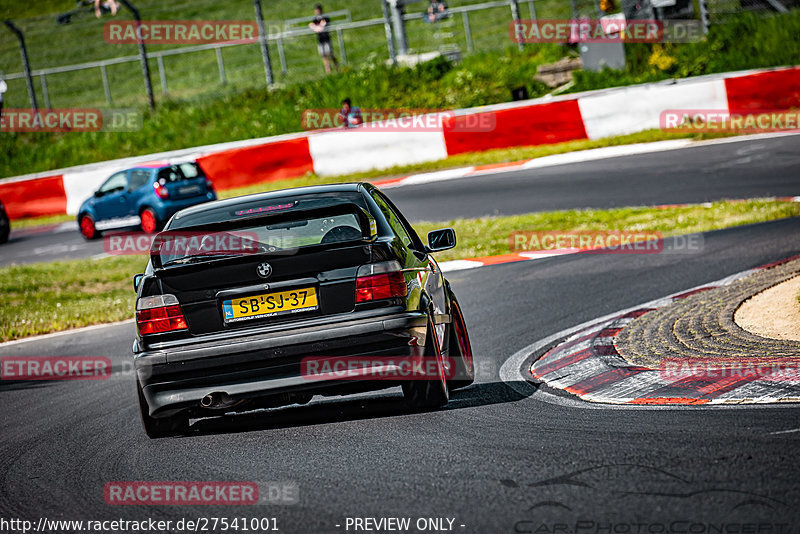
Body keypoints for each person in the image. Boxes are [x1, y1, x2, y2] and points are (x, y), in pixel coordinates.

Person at [309, 4, 338, 74]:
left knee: (330, 54)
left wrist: (317, 27)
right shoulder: (315, 19)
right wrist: (317, 27)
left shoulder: (325, 18)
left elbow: (322, 26)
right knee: (324, 56)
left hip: (326, 39)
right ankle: (328, 71)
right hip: (320, 40)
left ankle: (336, 67)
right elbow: (311, 26)